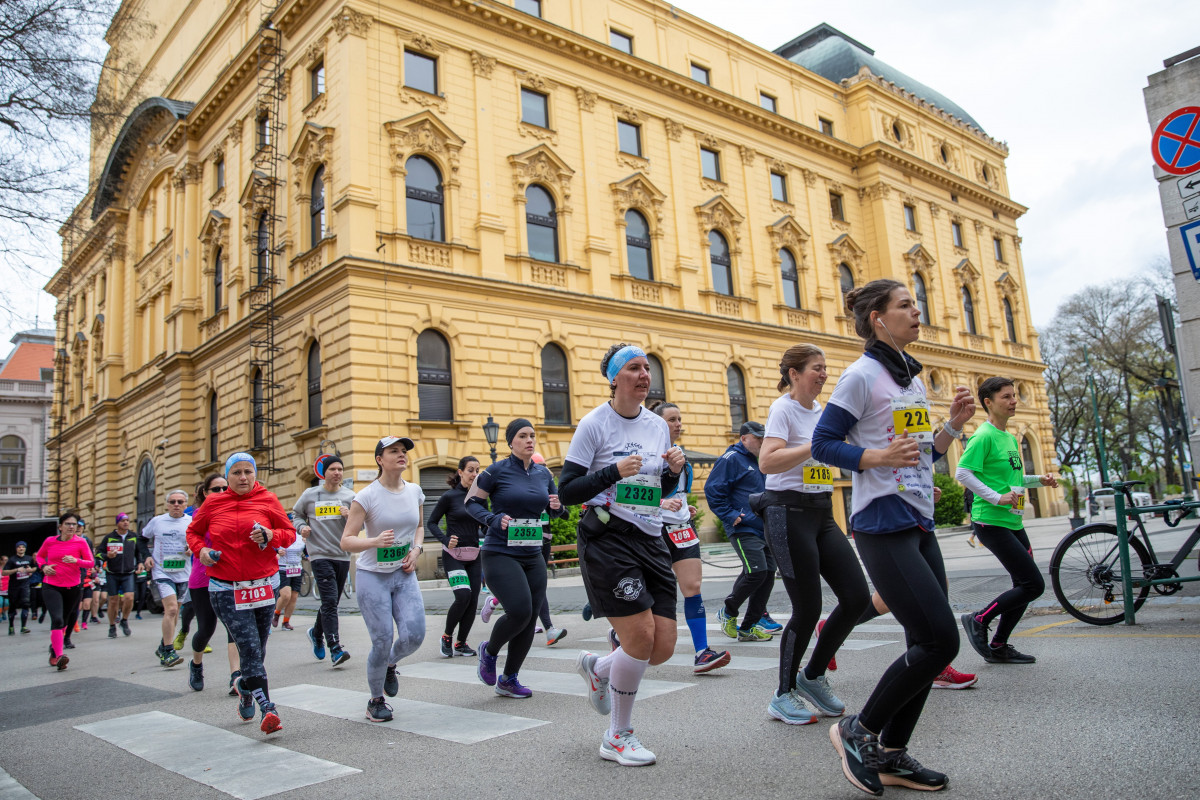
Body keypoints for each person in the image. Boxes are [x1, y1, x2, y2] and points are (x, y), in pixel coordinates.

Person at [812, 278, 976, 794]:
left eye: (915, 302)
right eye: (906, 305)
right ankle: (858, 731)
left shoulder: (909, 381)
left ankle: (891, 755)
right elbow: (823, 443)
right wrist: (875, 458)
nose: (917, 310)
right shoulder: (860, 376)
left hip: (919, 520)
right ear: (878, 318)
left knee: (925, 641)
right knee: (940, 640)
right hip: (883, 522)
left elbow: (923, 453)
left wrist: (950, 425)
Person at [563, 343, 686, 767]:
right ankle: (618, 735)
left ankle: (599, 668)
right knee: (638, 638)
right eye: (634, 368)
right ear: (615, 377)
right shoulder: (594, 424)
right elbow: (566, 491)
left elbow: (657, 492)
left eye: (647, 368)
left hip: (651, 538)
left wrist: (671, 473)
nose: (643, 374)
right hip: (609, 538)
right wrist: (612, 471)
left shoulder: (657, 426)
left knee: (663, 647)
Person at [758, 344, 870, 725]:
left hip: (821, 512)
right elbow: (768, 461)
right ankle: (782, 693)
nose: (823, 375)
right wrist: (814, 445)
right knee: (807, 608)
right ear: (793, 373)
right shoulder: (783, 408)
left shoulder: (823, 412)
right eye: (815, 368)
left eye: (825, 368)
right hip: (786, 512)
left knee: (856, 597)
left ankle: (812, 675)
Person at [187, 452, 295, 735]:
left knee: (258, 649)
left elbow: (289, 532)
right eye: (236, 473)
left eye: (248, 471)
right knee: (248, 647)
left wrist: (272, 536)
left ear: (255, 474)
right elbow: (193, 533)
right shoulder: (213, 503)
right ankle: (268, 708)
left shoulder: (267, 500)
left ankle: (245, 686)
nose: (243, 477)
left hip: (263, 585)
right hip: (225, 587)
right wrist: (203, 550)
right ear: (228, 476)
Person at [957, 377, 1058, 665]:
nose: (1013, 401)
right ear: (988, 402)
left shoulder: (1009, 437)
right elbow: (963, 473)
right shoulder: (983, 436)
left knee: (1023, 585)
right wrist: (995, 498)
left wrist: (1040, 480)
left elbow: (1012, 480)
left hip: (1013, 522)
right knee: (1033, 585)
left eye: (1014, 395)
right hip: (991, 522)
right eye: (1006, 397)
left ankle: (999, 645)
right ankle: (979, 619)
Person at [466, 420, 568, 698]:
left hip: (532, 552)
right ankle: (489, 651)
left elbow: (557, 512)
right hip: (500, 552)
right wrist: (493, 519)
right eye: (522, 436)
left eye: (532, 436)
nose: (529, 440)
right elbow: (471, 503)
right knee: (520, 611)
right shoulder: (495, 471)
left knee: (531, 614)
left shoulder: (543, 474)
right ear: (511, 441)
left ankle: (509, 679)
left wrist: (557, 507)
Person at [341, 436, 426, 722]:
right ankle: (375, 700)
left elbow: (420, 527)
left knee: (415, 635)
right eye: (394, 451)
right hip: (372, 576)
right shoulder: (365, 497)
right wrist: (374, 541)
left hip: (403, 574)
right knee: (382, 639)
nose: (401, 455)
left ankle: (391, 663)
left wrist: (416, 551)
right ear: (380, 459)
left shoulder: (415, 491)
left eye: (403, 451)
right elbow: (347, 541)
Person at [649, 401, 730, 674]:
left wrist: (685, 507)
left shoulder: (680, 453)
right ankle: (623, 638)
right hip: (653, 530)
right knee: (655, 593)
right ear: (658, 423)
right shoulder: (647, 454)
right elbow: (629, 494)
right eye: (672, 419)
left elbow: (679, 492)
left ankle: (702, 653)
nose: (678, 424)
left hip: (682, 528)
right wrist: (660, 504)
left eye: (679, 419)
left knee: (692, 587)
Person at [706, 421, 774, 642]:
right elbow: (713, 489)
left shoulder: (760, 460)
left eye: (764, 437)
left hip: (763, 527)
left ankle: (749, 626)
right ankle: (728, 611)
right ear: (744, 438)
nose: (763, 441)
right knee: (756, 572)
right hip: (743, 526)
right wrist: (730, 515)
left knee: (767, 575)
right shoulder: (732, 459)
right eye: (758, 438)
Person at [294, 455, 355, 666]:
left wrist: (349, 517)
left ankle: (316, 633)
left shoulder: (350, 496)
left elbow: (360, 527)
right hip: (319, 555)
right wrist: (302, 528)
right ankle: (335, 648)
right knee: (329, 602)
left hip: (342, 554)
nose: (337, 472)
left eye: (340, 469)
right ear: (324, 473)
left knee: (332, 602)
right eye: (333, 469)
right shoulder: (310, 495)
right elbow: (296, 515)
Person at [427, 456, 483, 657]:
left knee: (473, 599)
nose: (474, 474)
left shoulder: (480, 498)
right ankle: (447, 636)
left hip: (475, 555)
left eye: (477, 470)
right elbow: (431, 522)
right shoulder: (449, 497)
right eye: (470, 470)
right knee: (463, 595)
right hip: (454, 555)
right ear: (460, 472)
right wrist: (445, 539)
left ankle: (461, 643)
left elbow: (485, 524)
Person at [174, 474, 227, 652]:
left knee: (234, 629)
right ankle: (184, 631)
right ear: (204, 493)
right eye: (216, 489)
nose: (221, 492)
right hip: (202, 575)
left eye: (225, 489)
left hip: (229, 575)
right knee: (201, 623)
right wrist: (196, 548)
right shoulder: (195, 514)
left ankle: (237, 673)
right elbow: (192, 536)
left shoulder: (235, 510)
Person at [35, 511, 94, 670]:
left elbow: (90, 563)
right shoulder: (50, 541)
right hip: (51, 586)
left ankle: (54, 653)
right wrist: (44, 567)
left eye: (74, 524)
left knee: (65, 622)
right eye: (68, 524)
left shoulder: (81, 542)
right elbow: (39, 557)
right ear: (60, 526)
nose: (71, 526)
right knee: (58, 619)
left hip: (73, 587)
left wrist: (76, 561)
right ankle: (60, 656)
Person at [143, 489, 194, 668]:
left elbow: (198, 541)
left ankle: (163, 645)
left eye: (180, 502)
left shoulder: (191, 522)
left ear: (185, 505)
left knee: (175, 612)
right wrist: (146, 556)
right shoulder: (157, 521)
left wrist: (192, 548)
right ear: (167, 504)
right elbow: (142, 539)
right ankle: (169, 651)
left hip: (184, 573)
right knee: (171, 610)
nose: (176, 505)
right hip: (162, 572)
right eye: (172, 501)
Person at [531, 453, 568, 647]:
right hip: (525, 542)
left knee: (537, 584)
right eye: (540, 465)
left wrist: (559, 506)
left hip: (544, 541)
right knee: (535, 584)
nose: (545, 469)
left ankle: (546, 629)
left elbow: (564, 514)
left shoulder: (548, 488)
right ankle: (548, 628)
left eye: (546, 465)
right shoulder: (522, 487)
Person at [95, 513, 148, 638]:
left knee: (129, 598)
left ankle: (124, 620)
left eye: (127, 520)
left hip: (128, 573)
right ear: (117, 523)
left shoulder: (133, 536)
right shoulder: (109, 537)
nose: (126, 523)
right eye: (123, 520)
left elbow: (138, 553)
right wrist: (107, 556)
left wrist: (140, 563)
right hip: (112, 573)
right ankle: (112, 625)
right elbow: (98, 554)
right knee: (113, 601)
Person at [272, 522, 306, 631]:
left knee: (294, 597)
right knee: (286, 595)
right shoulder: (279, 535)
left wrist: (307, 545)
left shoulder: (300, 537)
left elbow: (306, 551)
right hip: (283, 568)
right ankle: (276, 613)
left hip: (297, 568)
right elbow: (270, 546)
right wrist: (277, 551)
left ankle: (286, 622)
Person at [4, 541, 35, 634]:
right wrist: (17, 570)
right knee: (13, 606)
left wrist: (30, 570)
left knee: (26, 604)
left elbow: (35, 568)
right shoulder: (12, 560)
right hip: (14, 587)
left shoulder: (29, 558)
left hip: (25, 586)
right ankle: (11, 627)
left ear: (25, 548)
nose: (21, 549)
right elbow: (4, 572)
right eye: (19, 547)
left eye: (23, 547)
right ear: (16, 548)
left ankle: (23, 627)